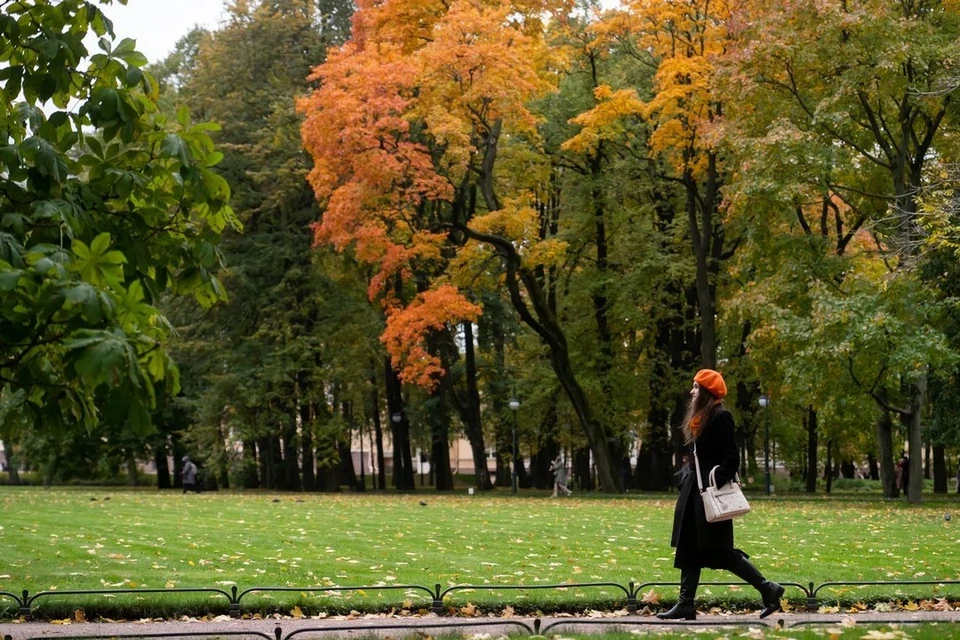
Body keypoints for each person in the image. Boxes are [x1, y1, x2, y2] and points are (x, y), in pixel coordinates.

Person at [657, 369, 783, 621]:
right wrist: (687, 476)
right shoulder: (701, 417)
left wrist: (713, 480)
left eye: (695, 387)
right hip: (694, 492)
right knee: (689, 547)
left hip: (708, 496)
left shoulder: (720, 417)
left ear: (706, 391)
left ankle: (768, 588)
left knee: (719, 552)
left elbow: (731, 459)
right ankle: (686, 604)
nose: (691, 391)